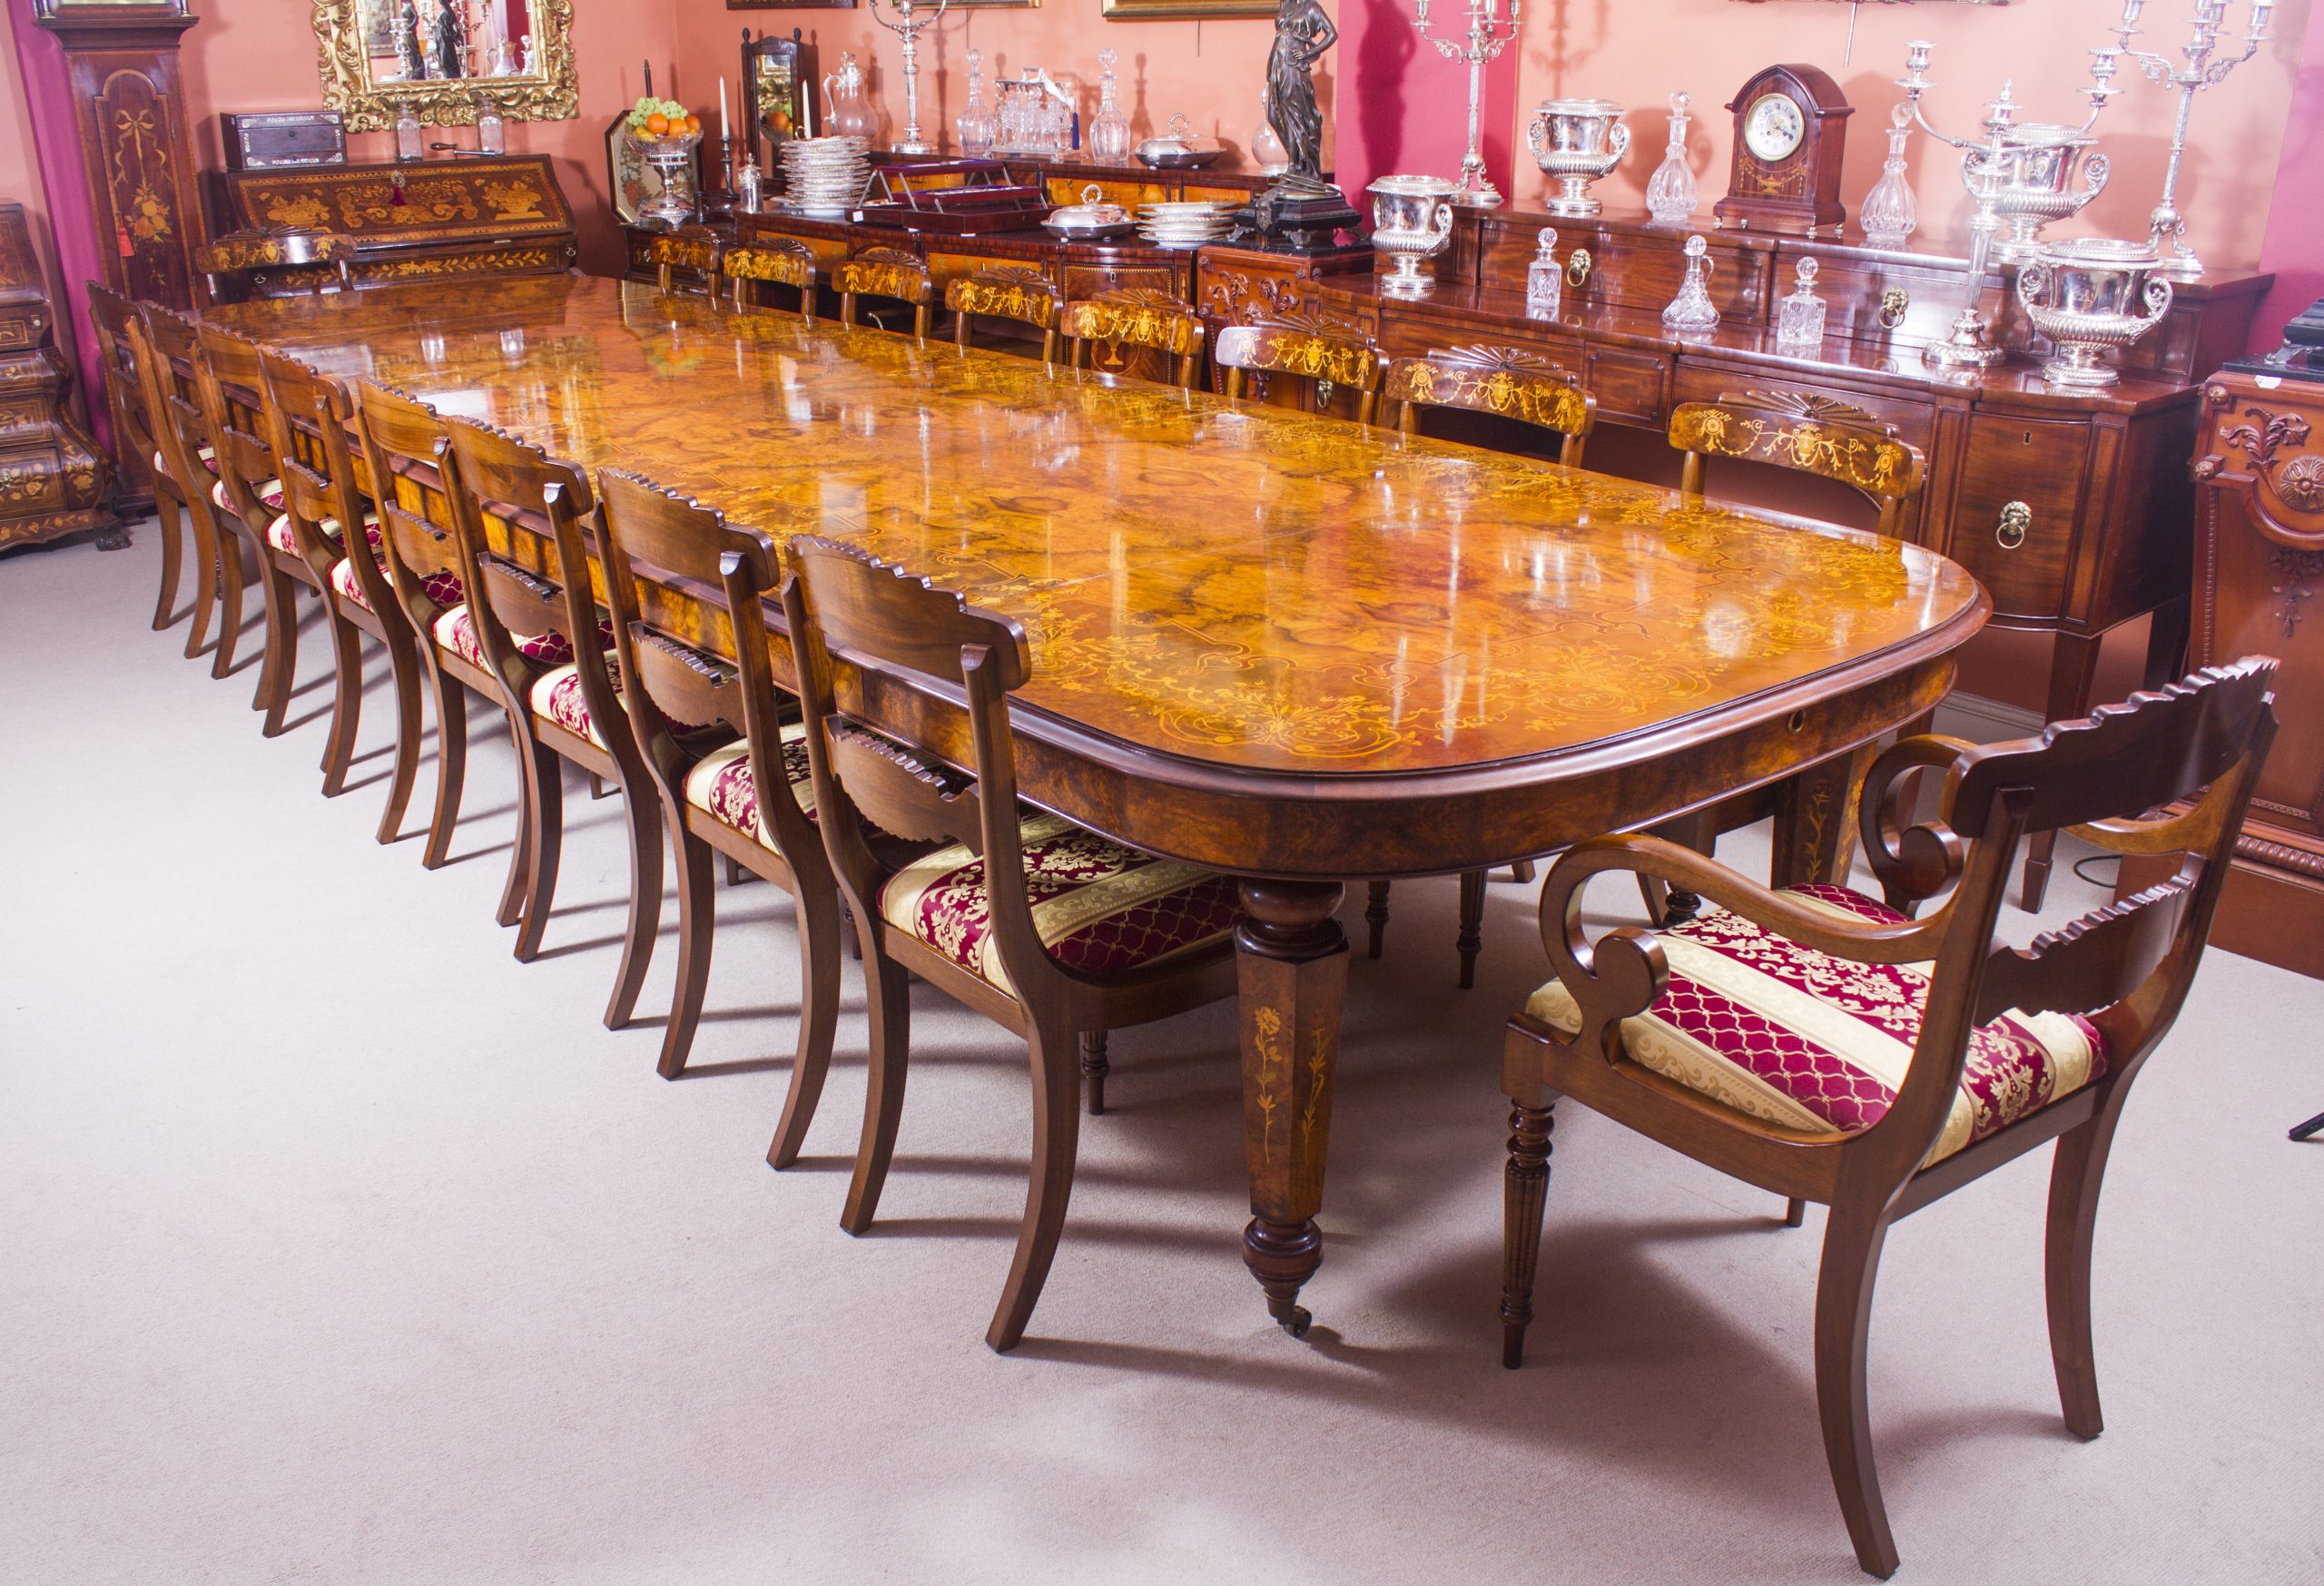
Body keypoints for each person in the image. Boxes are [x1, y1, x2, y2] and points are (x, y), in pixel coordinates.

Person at [1265, 0, 1337, 182]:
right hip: (1277, 62)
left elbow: (1332, 34)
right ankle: (1297, 162)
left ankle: (1296, 165)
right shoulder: (1286, 4)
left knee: (1295, 116)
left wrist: (1309, 54)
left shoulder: (1312, 7)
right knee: (1274, 114)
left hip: (1293, 65)